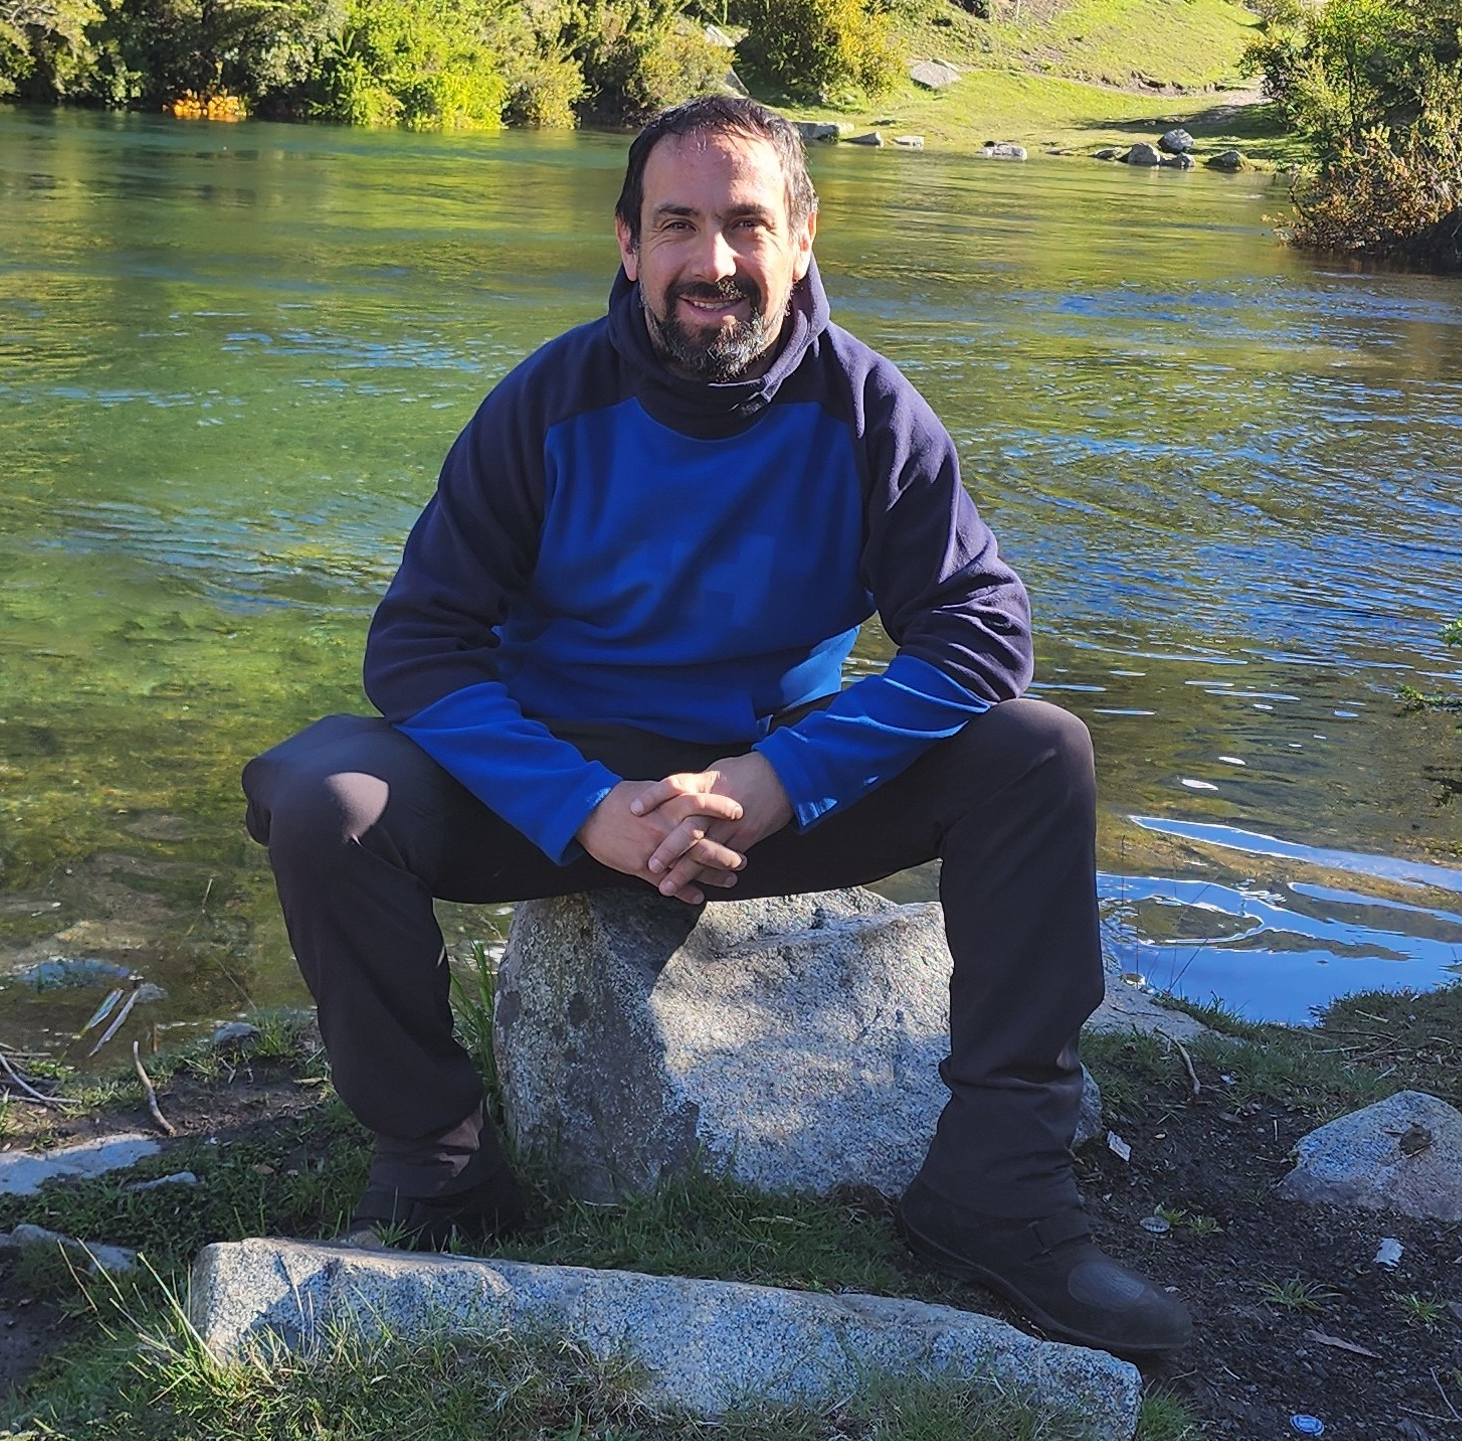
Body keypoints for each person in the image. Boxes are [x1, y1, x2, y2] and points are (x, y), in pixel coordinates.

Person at [241, 95, 1190, 1356]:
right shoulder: (544, 405)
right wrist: (583, 807)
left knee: (1039, 751)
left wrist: (781, 777)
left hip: (761, 806)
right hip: (551, 794)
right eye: (678, 225)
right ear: (628, 243)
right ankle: (440, 1168)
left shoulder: (869, 412)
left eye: (747, 224)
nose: (716, 261)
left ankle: (999, 1193)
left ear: (802, 238)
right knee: (326, 796)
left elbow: (980, 630)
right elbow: (418, 643)